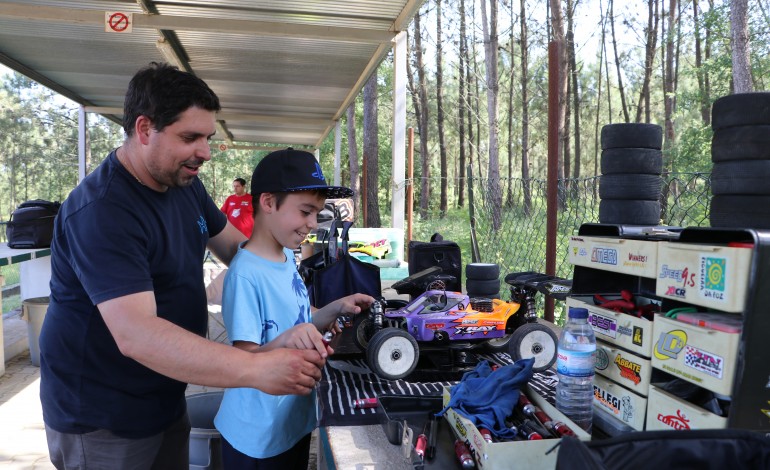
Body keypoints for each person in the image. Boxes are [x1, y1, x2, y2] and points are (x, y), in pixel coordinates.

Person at [39, 63, 329, 470]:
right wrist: (256, 367)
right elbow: (137, 335)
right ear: (144, 130)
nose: (205, 152)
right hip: (104, 416)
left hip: (166, 393)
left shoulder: (183, 184)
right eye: (190, 137)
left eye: (207, 137)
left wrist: (296, 301)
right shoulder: (103, 211)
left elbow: (240, 249)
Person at [214, 148, 374, 469]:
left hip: (292, 423)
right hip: (257, 440)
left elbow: (299, 320)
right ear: (269, 203)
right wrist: (291, 338)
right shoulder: (246, 274)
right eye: (305, 212)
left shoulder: (286, 257)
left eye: (317, 213)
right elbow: (244, 362)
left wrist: (333, 310)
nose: (313, 224)